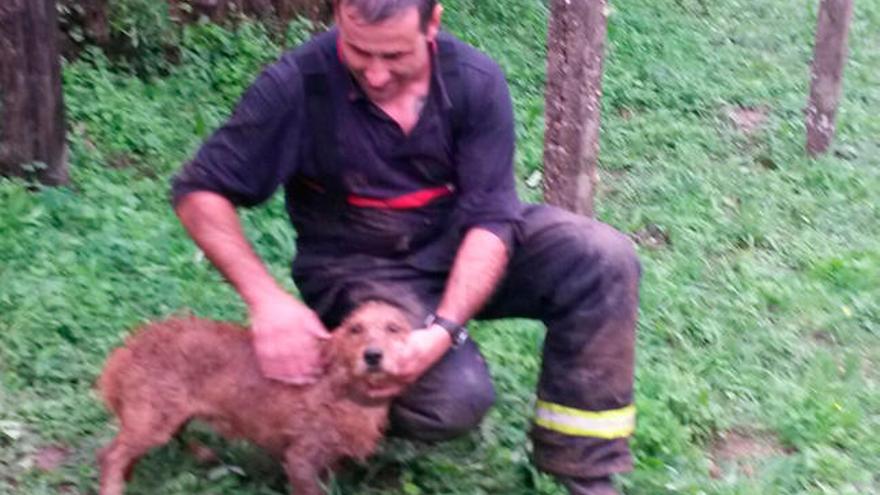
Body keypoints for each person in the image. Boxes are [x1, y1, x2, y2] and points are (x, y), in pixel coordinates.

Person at [171, 1, 640, 493]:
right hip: (363, 267)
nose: (374, 75)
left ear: (432, 22)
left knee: (601, 256)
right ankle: (335, 425)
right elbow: (200, 191)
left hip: (462, 243)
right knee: (454, 401)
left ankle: (583, 467)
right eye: (357, 51)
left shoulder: (474, 81)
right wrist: (265, 300)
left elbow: (490, 220)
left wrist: (441, 332)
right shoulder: (298, 84)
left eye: (395, 55)